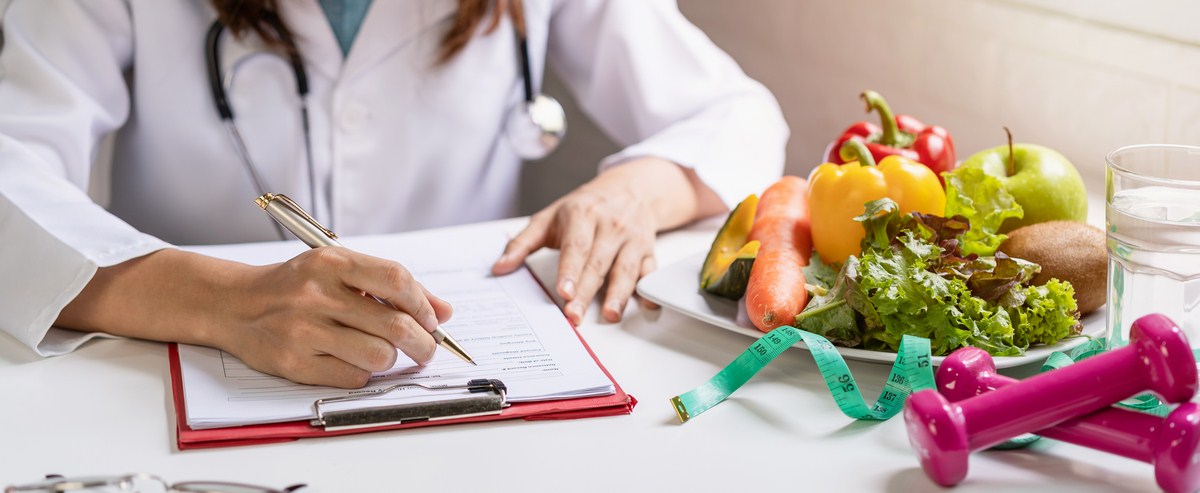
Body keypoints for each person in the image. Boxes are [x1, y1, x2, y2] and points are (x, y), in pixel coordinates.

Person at [0, 0, 787, 388]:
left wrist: (633, 194)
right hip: (186, 373)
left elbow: (735, 112)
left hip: (466, 395)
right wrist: (224, 303)